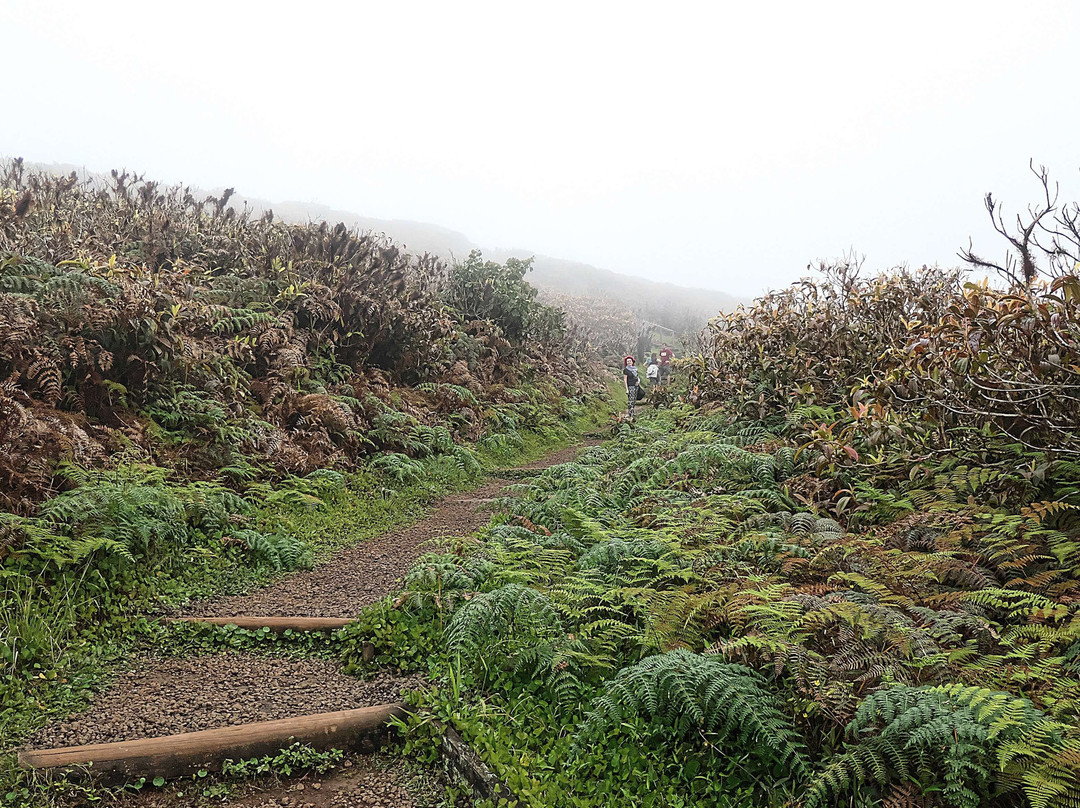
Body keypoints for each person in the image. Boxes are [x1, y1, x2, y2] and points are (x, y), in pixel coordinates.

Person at [622, 355, 640, 420]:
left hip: (636, 386)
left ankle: (632, 413)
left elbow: (637, 376)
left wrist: (639, 381)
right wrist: (627, 389)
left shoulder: (635, 369)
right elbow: (625, 380)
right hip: (630, 386)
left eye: (630, 361)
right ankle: (631, 415)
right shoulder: (626, 370)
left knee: (634, 400)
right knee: (631, 400)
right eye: (627, 361)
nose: (629, 362)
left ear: (632, 362)